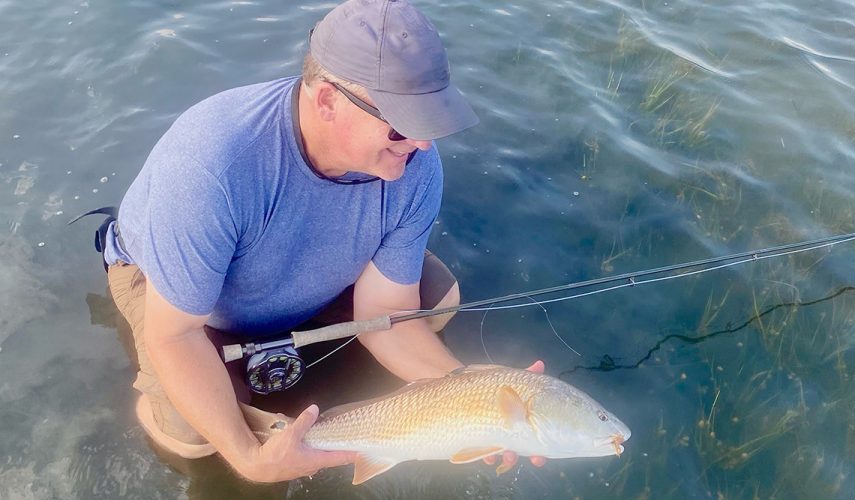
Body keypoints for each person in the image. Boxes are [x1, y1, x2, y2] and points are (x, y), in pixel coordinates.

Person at [100, 0, 543, 483]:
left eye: (431, 121)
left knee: (438, 302)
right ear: (328, 101)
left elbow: (387, 314)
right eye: (402, 125)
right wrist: (250, 460)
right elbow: (176, 334)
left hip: (302, 272)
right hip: (188, 305)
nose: (420, 145)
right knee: (195, 434)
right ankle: (160, 396)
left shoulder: (416, 167)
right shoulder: (212, 163)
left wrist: (475, 398)